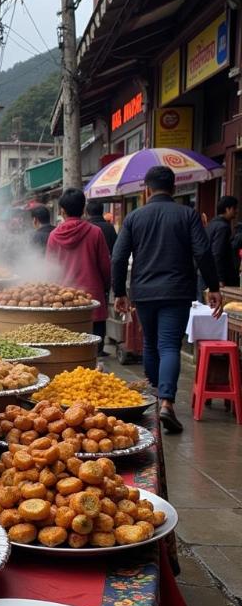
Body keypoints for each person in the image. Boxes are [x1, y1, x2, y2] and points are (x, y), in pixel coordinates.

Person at [112, 165, 221, 434]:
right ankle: (167, 402)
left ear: (146, 189)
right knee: (169, 344)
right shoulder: (187, 215)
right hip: (177, 290)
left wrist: (120, 292)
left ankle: (156, 394)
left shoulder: (134, 218)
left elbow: (118, 257)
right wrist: (213, 286)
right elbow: (203, 252)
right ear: (174, 189)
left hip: (144, 292)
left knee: (151, 343)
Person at [46, 188, 111, 353]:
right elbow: (105, 266)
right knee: (93, 353)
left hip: (62, 303)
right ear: (83, 209)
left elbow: (49, 270)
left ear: (62, 210)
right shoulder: (96, 233)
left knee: (67, 353)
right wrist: (105, 288)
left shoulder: (54, 236)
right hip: (91, 300)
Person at [206, 195, 239, 288]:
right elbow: (217, 253)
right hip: (218, 277)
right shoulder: (223, 227)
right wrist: (220, 279)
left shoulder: (212, 224)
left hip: (207, 273)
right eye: (234, 208)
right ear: (227, 209)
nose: (236, 211)